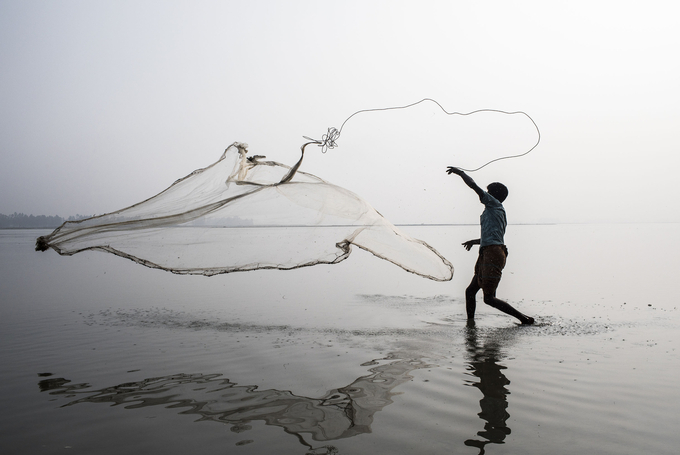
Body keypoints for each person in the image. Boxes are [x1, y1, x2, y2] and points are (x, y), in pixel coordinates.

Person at [446, 166, 534, 325]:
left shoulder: (494, 204)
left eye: (488, 191)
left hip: (493, 254)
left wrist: (460, 173)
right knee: (470, 291)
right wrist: (475, 242)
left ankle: (524, 319)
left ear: (493, 195)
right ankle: (470, 324)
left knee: (489, 298)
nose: (484, 194)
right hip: (489, 251)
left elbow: (474, 187)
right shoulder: (496, 210)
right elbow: (493, 236)